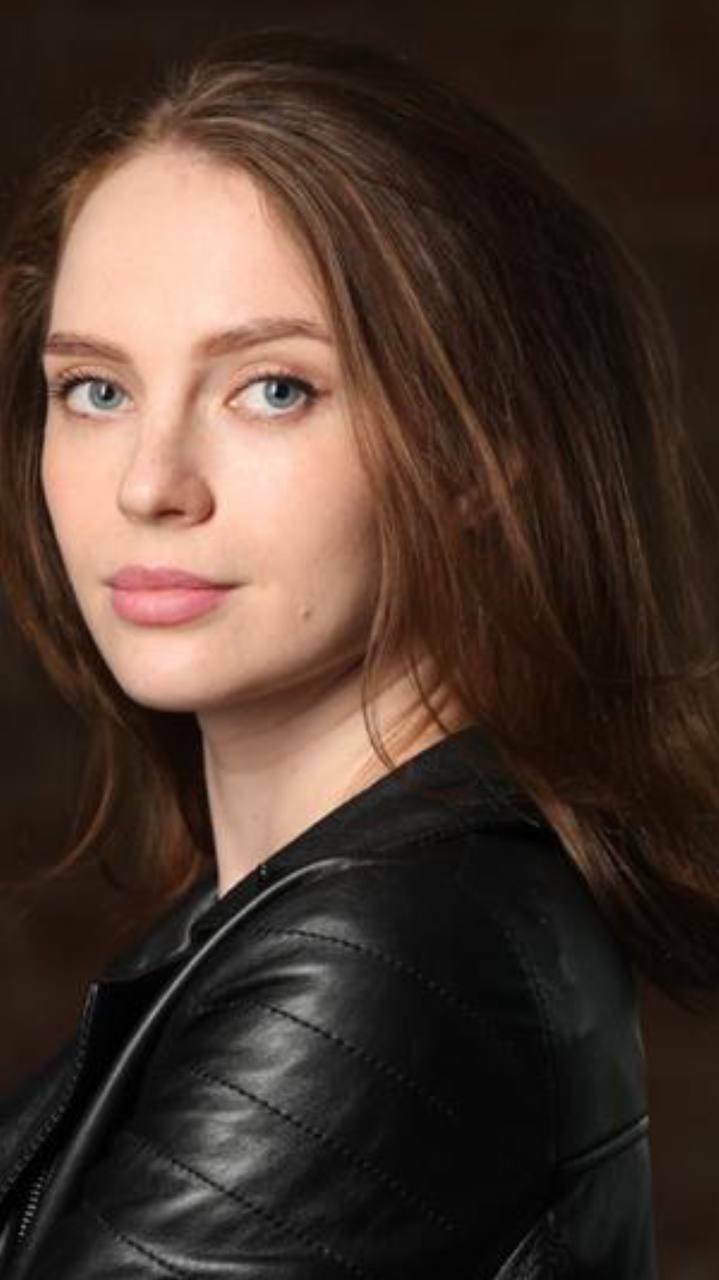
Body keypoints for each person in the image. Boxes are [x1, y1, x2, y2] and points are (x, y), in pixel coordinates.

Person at [0, 27, 718, 1279]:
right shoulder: (343, 910)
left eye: (273, 388)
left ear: (478, 455)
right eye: (96, 390)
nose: (149, 484)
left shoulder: (376, 968)